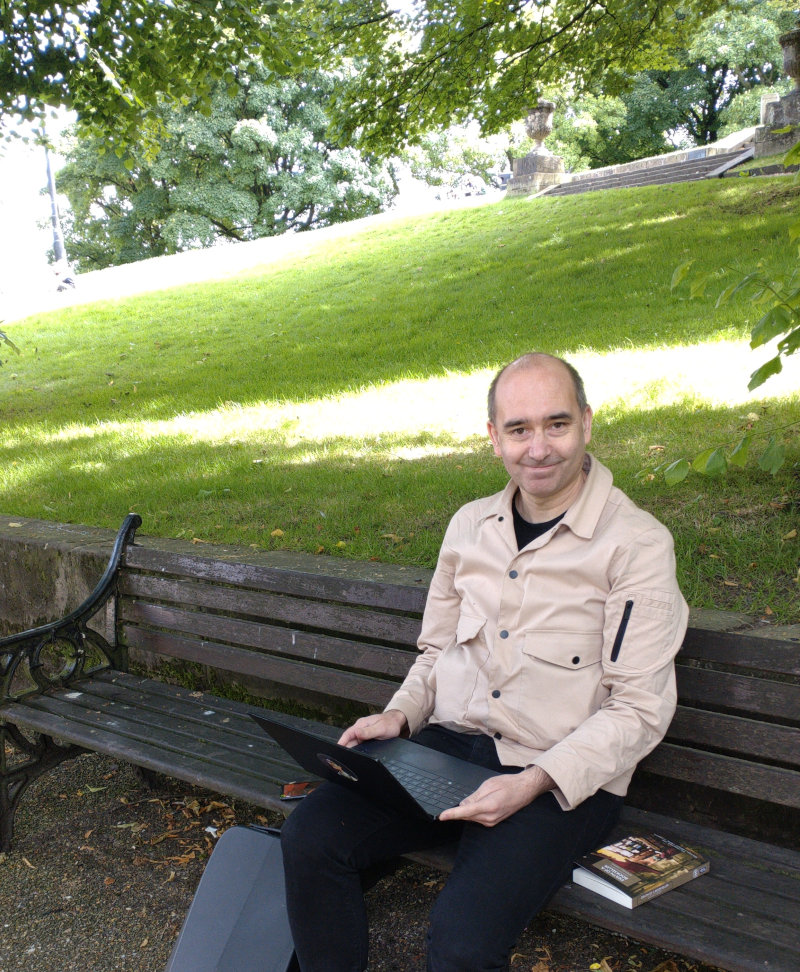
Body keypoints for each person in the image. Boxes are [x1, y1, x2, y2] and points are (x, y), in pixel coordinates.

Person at [281, 352, 688, 972]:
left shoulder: (636, 544)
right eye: (519, 429)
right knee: (312, 836)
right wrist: (400, 715)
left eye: (557, 424)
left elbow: (639, 708)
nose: (539, 448)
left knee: (461, 943)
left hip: (555, 776)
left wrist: (531, 783)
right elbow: (438, 651)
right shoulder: (470, 526)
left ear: (586, 422)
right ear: (493, 437)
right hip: (446, 750)